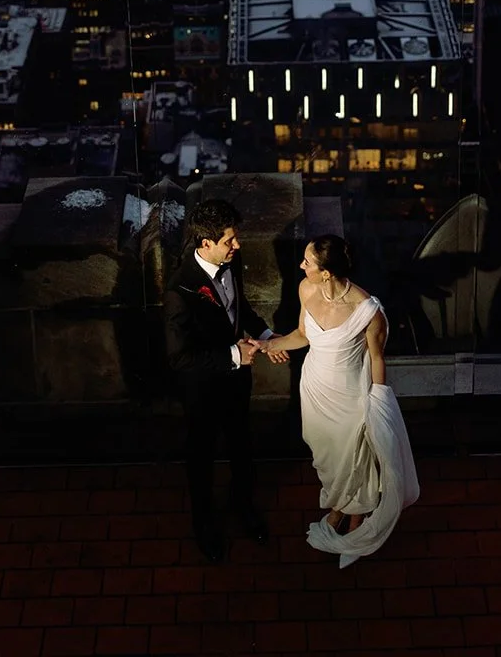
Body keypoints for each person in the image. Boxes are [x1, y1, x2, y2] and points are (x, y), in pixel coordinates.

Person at [264, 234, 419, 567]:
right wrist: (269, 346)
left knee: (355, 458)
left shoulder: (368, 310)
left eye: (307, 261)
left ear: (326, 273)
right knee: (330, 458)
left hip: (350, 395)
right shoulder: (307, 289)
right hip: (315, 389)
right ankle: (341, 509)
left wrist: (378, 401)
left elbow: (377, 357)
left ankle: (353, 519)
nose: (301, 265)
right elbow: (303, 335)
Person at [164, 197, 272, 563]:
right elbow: (180, 357)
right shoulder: (180, 290)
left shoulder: (230, 261)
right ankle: (205, 526)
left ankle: (244, 508)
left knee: (242, 446)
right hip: (203, 390)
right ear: (205, 243)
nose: (237, 246)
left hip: (237, 383)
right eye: (230, 240)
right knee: (202, 457)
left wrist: (268, 335)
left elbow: (238, 308)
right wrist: (233, 355)